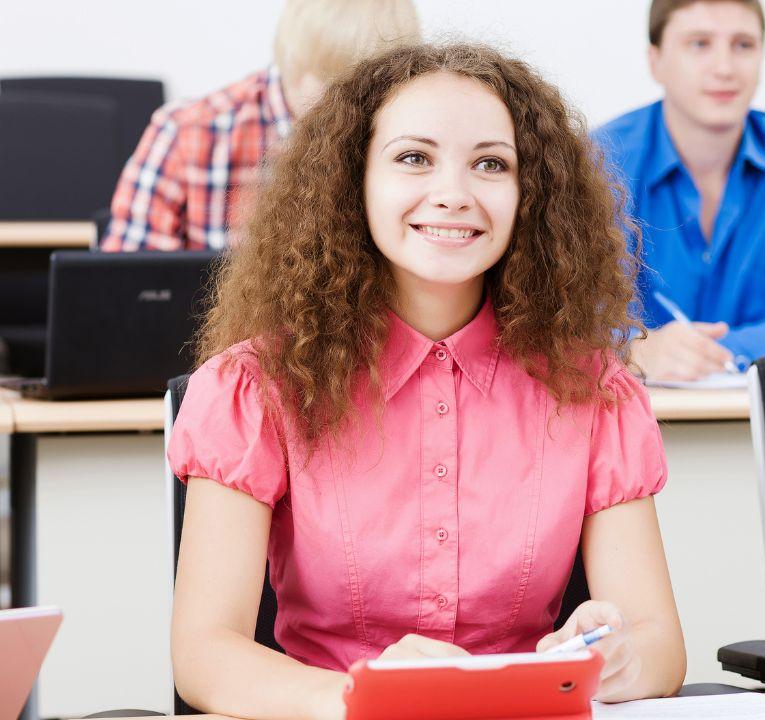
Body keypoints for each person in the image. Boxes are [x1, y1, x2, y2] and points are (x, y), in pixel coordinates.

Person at [167, 43, 686, 718]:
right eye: (414, 157)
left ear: (532, 195)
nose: (453, 194)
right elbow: (204, 653)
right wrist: (362, 696)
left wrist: (621, 659)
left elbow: (659, 643)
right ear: (353, 180)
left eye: (491, 164)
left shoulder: (594, 391)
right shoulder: (256, 387)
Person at [594, 0, 765, 381]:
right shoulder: (601, 160)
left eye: (743, 45)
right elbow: (571, 319)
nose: (725, 68)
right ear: (656, 61)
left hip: (762, 408)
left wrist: (710, 352)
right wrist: (637, 349)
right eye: (699, 44)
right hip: (635, 406)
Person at [99, 0, 420, 251]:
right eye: (338, 87)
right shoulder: (187, 131)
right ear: (294, 62)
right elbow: (127, 285)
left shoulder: (406, 137)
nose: (354, 110)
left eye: (374, 92)